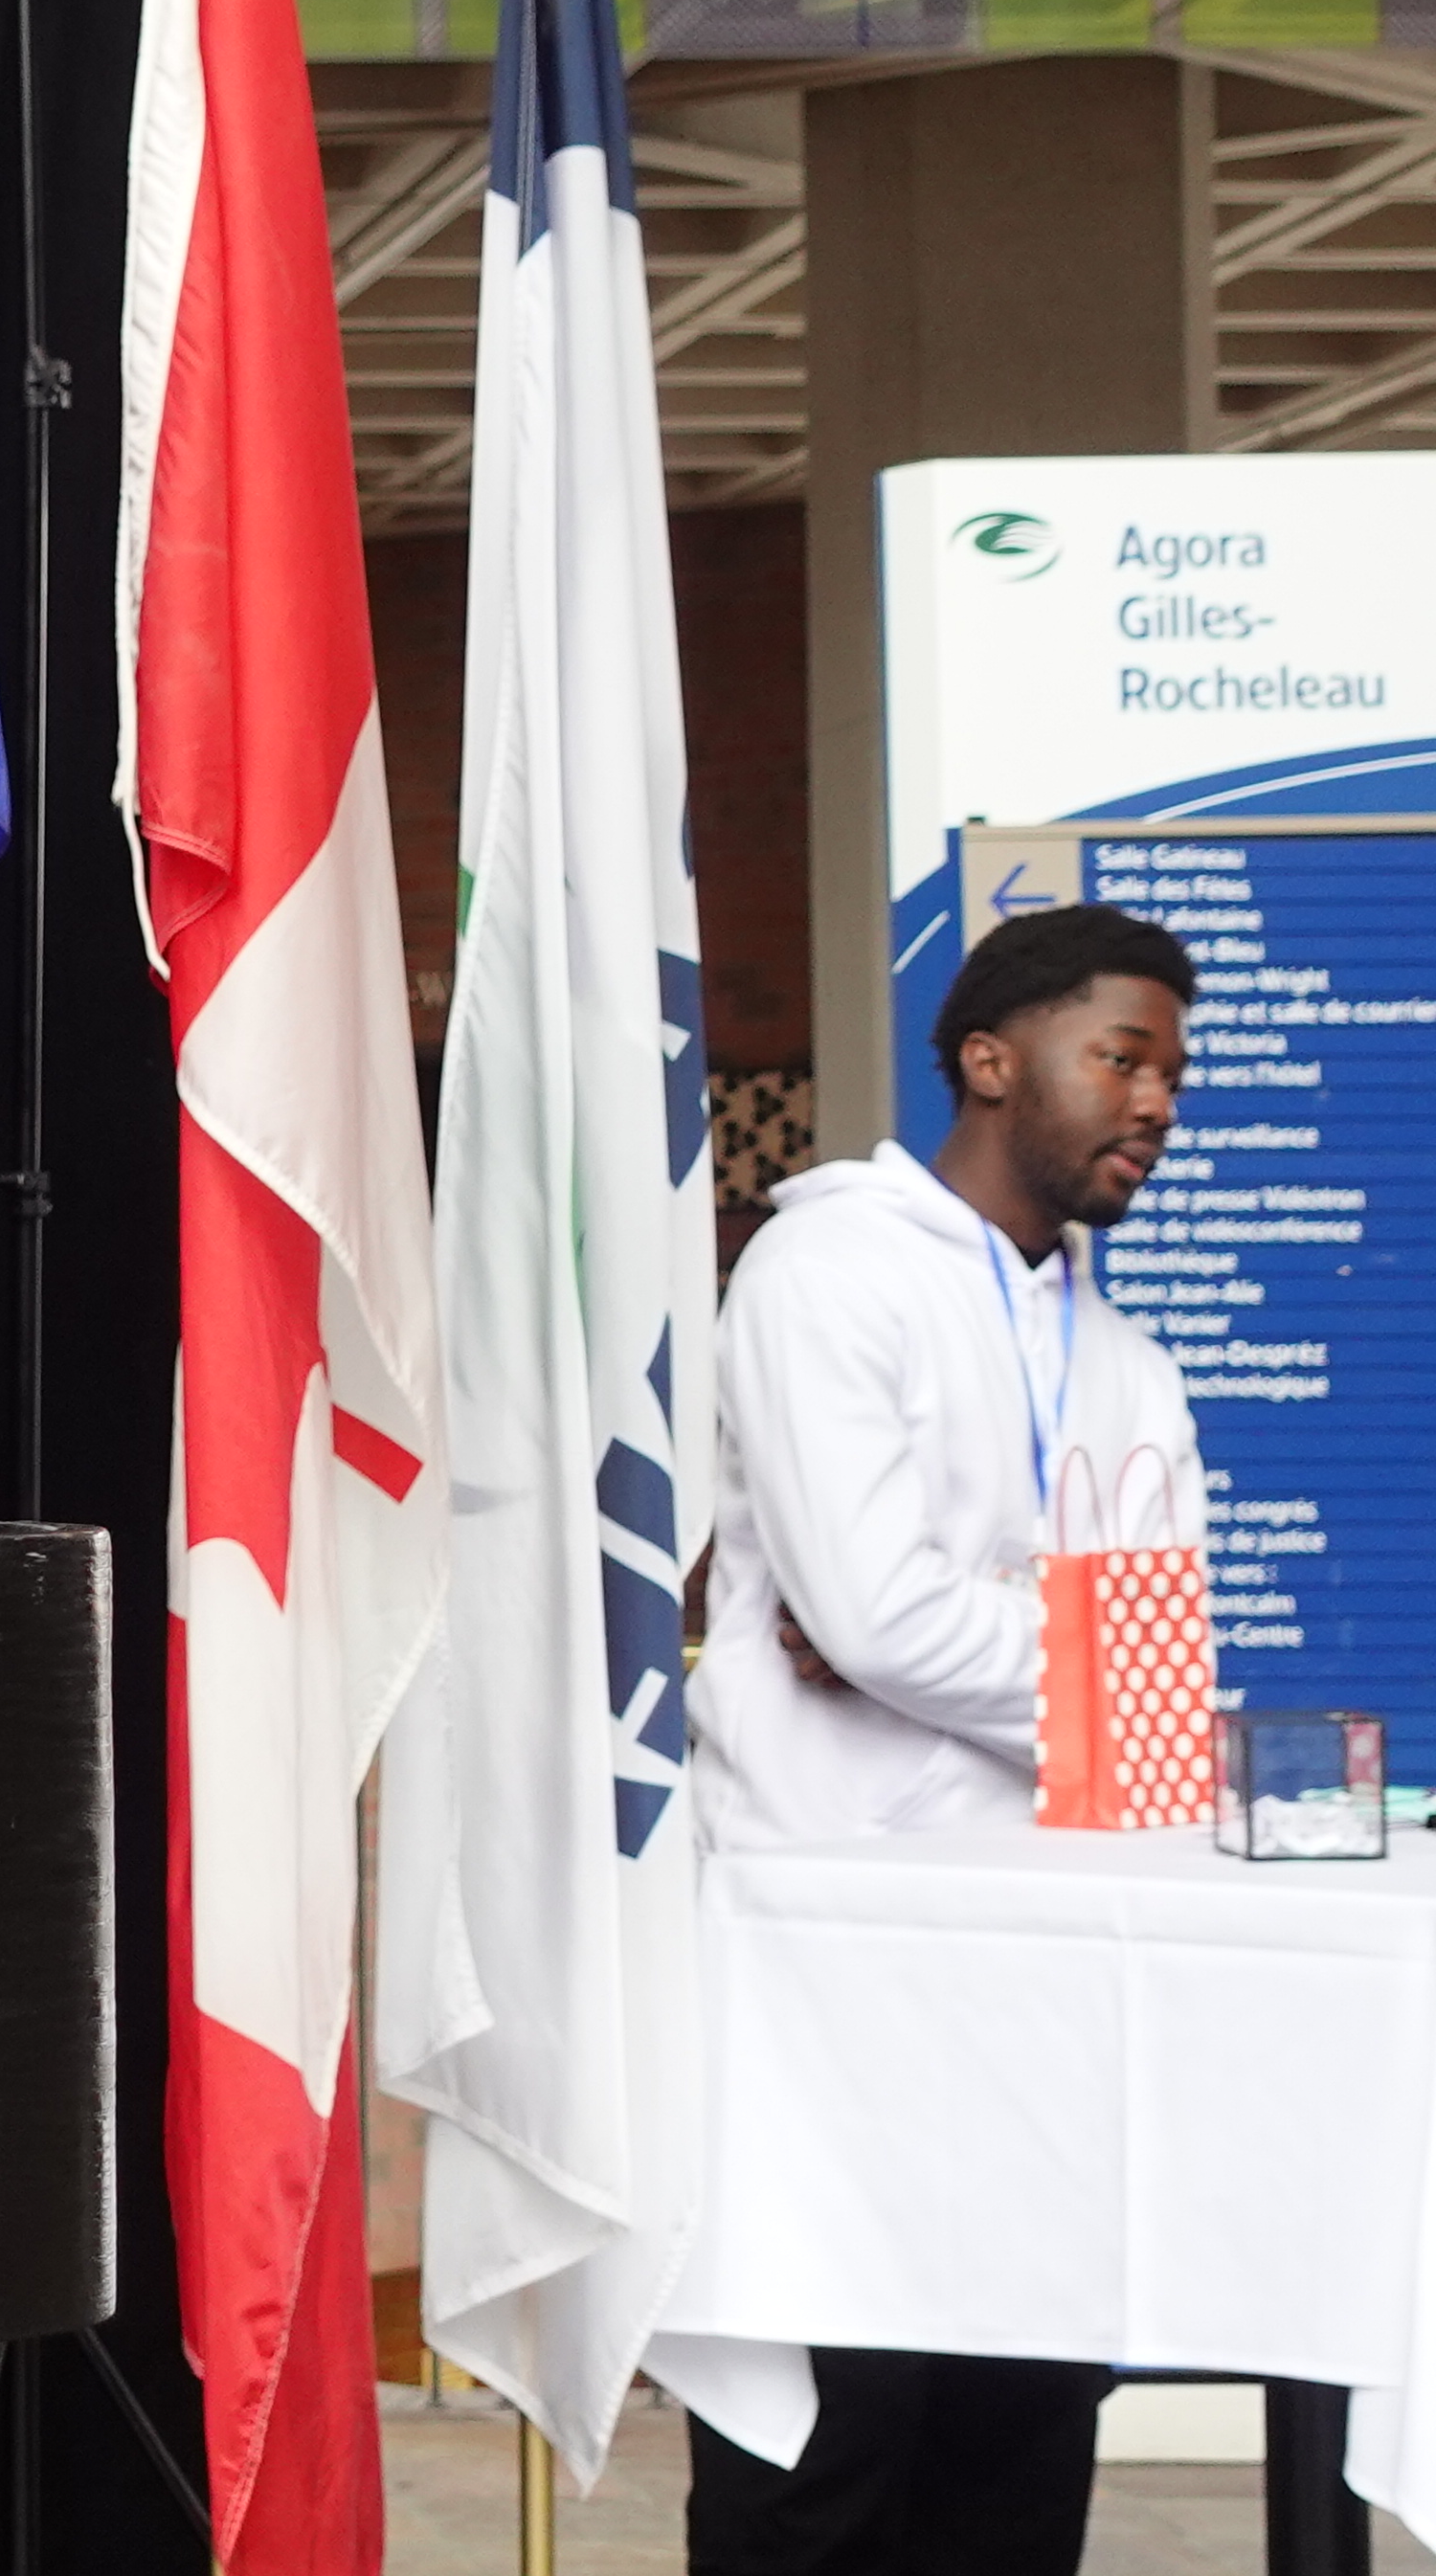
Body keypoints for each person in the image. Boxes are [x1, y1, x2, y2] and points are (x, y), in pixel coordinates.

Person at [681, 899, 1203, 2576]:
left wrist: (925, 1630)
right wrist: (1046, 1642)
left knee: (1017, 2457)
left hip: (1043, 1979)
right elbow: (877, 1615)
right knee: (827, 2462)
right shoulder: (827, 1270)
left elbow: (1158, 1702)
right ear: (991, 1059)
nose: (1155, 1103)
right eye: (1121, 1057)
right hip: (829, 1963)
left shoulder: (1131, 1368)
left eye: (1172, 1075)